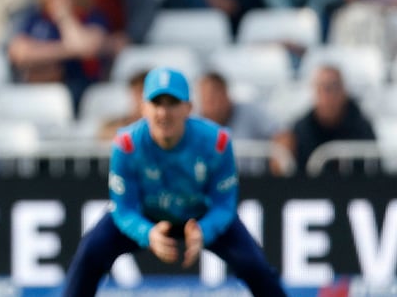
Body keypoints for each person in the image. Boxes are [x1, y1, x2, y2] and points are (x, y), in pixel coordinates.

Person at [61, 67, 286, 296]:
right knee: (90, 253)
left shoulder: (217, 142)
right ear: (143, 108)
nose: (164, 113)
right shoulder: (126, 145)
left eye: (172, 103)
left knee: (253, 264)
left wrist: (204, 230)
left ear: (188, 108)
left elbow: (224, 204)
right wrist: (147, 233)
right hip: (146, 215)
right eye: (157, 103)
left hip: (200, 216)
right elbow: (124, 208)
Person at [276, 65, 375, 173]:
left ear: (344, 91)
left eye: (335, 87)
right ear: (316, 91)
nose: (330, 95)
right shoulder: (302, 129)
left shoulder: (361, 127)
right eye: (325, 88)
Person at [197, 71, 277, 141]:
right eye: (205, 98)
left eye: (214, 98)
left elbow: (279, 132)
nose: (211, 105)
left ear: (226, 95)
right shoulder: (195, 124)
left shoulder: (251, 113)